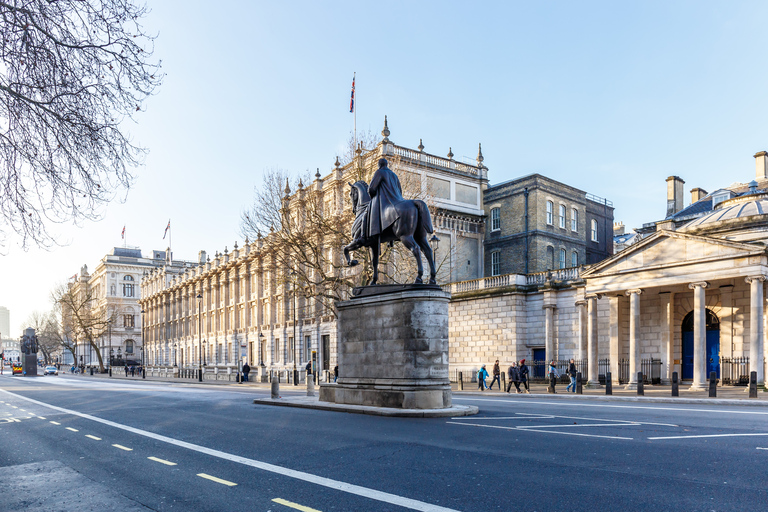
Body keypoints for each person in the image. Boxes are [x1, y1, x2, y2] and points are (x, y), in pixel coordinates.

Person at [367, 158, 405, 239]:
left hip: (385, 203)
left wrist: (371, 197)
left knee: (366, 216)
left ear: (379, 165)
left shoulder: (379, 172)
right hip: (397, 201)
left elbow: (371, 189)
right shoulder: (394, 175)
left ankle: (370, 234)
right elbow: (400, 191)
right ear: (386, 164)